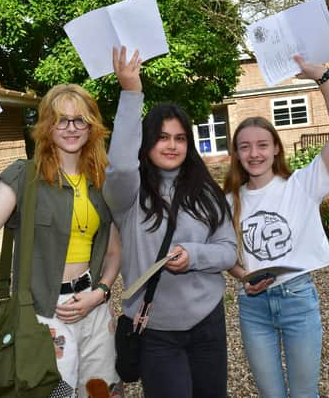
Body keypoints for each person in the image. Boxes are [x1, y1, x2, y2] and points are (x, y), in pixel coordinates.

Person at [0, 83, 123, 398]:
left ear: (92, 126)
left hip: (94, 307)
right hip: (44, 313)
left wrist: (101, 292)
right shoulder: (25, 176)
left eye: (80, 119)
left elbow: (113, 252)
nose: (71, 128)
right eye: (61, 119)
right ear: (46, 126)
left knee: (100, 392)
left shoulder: (101, 181)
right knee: (55, 392)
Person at [103, 46, 237, 398]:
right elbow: (119, 164)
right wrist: (131, 93)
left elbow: (228, 252)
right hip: (155, 330)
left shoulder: (207, 191)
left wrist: (194, 256)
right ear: (146, 142)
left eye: (179, 138)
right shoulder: (128, 194)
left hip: (207, 323)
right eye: (162, 137)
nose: (172, 145)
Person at [224, 55, 329, 398]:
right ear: (236, 154)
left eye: (262, 145)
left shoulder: (303, 184)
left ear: (275, 148)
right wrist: (243, 278)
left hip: (298, 299)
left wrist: (322, 77)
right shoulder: (229, 200)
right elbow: (224, 254)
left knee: (304, 393)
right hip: (253, 307)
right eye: (245, 147)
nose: (254, 153)